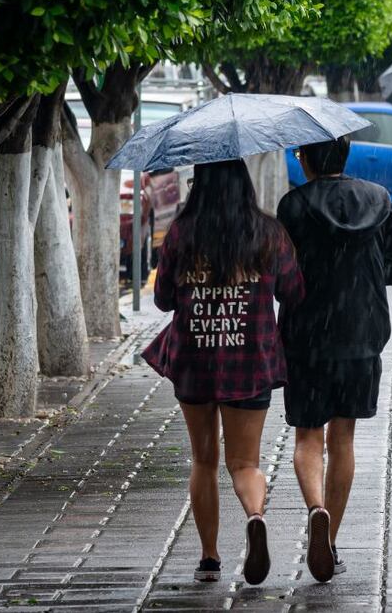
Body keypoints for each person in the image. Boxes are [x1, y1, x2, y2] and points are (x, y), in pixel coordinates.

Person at [142, 159, 304, 585]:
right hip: (249, 360)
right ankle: (254, 516)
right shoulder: (268, 233)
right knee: (245, 462)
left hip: (195, 361)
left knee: (203, 459)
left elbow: (162, 300)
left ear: (201, 184)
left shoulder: (182, 232)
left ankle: (209, 558)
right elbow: (293, 290)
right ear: (244, 184)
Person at [277, 136, 392, 582]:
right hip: (361, 334)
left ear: (307, 159)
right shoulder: (379, 199)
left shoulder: (292, 206)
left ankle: (316, 508)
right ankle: (330, 539)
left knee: (307, 438)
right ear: (345, 156)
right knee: (343, 438)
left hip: (307, 336)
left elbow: (282, 273)